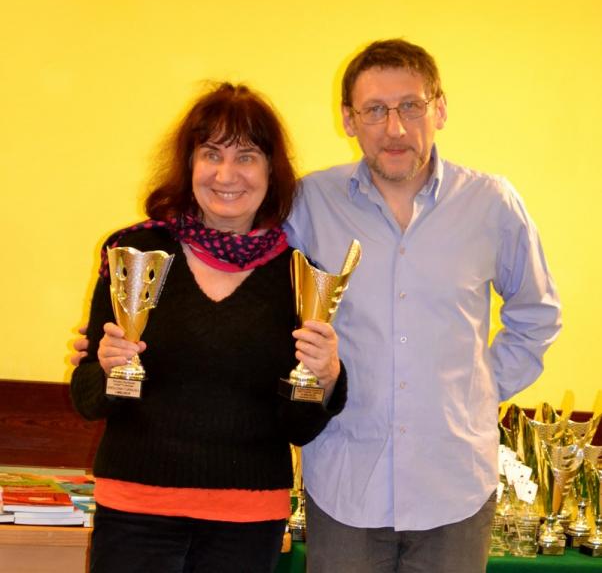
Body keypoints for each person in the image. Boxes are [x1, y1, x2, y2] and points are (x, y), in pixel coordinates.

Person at [281, 39, 561, 572]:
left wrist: (482, 389)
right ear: (348, 119)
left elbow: (537, 316)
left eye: (411, 106)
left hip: (454, 487)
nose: (395, 128)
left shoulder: (492, 204)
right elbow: (252, 283)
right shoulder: (309, 203)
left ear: (440, 109)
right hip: (345, 483)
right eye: (375, 110)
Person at [70, 82, 346, 573]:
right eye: (211, 154)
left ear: (271, 171)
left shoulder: (301, 277)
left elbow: (299, 428)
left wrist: (326, 380)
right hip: (135, 510)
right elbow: (88, 398)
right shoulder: (135, 253)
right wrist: (109, 370)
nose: (226, 174)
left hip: (248, 521)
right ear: (189, 164)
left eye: (246, 157)